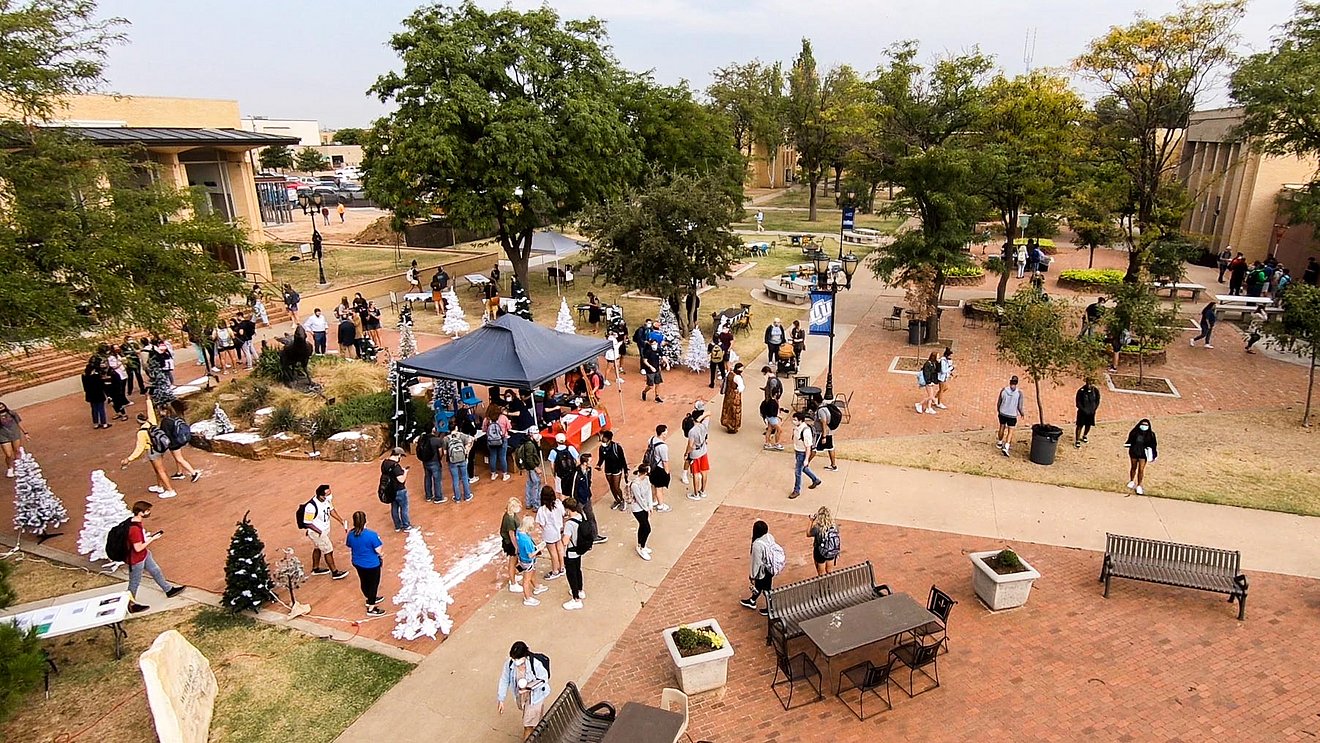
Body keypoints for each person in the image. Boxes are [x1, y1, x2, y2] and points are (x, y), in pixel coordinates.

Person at [124, 500, 186, 613]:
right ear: (140, 512)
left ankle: (168, 590)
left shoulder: (134, 521)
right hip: (136, 559)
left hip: (144, 555)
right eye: (147, 511)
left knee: (155, 570)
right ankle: (130, 604)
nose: (149, 512)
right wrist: (152, 539)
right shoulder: (134, 529)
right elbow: (137, 548)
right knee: (134, 582)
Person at [121, 400, 176, 498]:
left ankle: (170, 489)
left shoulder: (141, 433)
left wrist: (129, 459)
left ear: (138, 422)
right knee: (157, 469)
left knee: (160, 470)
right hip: (160, 448)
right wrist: (148, 400)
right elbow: (150, 411)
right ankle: (159, 486)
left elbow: (139, 449)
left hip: (153, 451)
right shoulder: (152, 422)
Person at [497, 641, 551, 739]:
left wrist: (528, 688)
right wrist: (501, 699)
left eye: (517, 658)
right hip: (522, 697)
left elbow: (544, 679)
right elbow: (504, 679)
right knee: (532, 721)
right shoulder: (510, 664)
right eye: (514, 658)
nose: (515, 661)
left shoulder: (535, 663)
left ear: (524, 656)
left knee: (528, 725)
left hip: (535, 697)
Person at [302, 484, 349, 579]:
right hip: (317, 532)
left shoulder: (326, 500)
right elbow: (307, 522)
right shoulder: (310, 507)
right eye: (328, 494)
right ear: (321, 496)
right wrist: (319, 531)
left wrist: (341, 520)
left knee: (317, 548)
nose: (330, 495)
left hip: (324, 529)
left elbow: (331, 510)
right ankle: (335, 572)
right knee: (328, 550)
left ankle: (315, 568)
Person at [345, 511, 386, 615]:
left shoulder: (350, 534)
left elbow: (349, 545)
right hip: (371, 564)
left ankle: (369, 597)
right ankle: (371, 607)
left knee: (364, 581)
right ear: (365, 521)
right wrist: (381, 555)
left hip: (357, 562)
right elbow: (378, 550)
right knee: (373, 584)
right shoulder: (371, 535)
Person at [739, 520, 778, 615]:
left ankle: (770, 609)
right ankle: (752, 600)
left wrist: (752, 575)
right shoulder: (770, 537)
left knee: (766, 588)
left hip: (763, 571)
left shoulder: (757, 545)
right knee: (761, 586)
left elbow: (756, 562)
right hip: (771, 567)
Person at [514, 516, 549, 607]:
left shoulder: (518, 532)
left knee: (532, 573)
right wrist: (539, 548)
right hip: (528, 561)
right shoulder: (526, 540)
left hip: (522, 558)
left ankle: (536, 586)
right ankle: (527, 598)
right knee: (526, 580)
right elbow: (530, 555)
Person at [561, 498, 588, 610]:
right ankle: (580, 590)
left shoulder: (569, 524)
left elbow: (565, 541)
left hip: (571, 552)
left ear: (568, 509)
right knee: (578, 570)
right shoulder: (581, 516)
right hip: (580, 549)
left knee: (571, 575)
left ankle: (576, 598)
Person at [535, 487, 565, 581]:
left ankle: (555, 571)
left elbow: (542, 523)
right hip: (558, 530)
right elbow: (563, 514)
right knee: (560, 549)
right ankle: (562, 567)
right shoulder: (559, 503)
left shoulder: (542, 510)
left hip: (549, 533)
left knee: (553, 552)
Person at [789, 411, 821, 498]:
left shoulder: (805, 432)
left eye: (795, 420)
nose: (793, 421)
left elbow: (808, 447)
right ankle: (815, 479)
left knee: (798, 472)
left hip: (802, 453)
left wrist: (806, 459)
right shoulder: (797, 427)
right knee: (804, 468)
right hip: (798, 450)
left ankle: (797, 490)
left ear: (800, 421)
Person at [380, 447, 412, 531]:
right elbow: (401, 480)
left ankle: (397, 526)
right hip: (399, 490)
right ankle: (406, 525)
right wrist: (405, 472)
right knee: (404, 508)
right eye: (401, 457)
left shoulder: (384, 463)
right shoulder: (396, 466)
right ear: (398, 455)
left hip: (390, 490)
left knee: (394, 508)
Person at [1124, 418, 1158, 496]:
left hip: (1143, 454)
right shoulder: (1134, 432)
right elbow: (1129, 441)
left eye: (1146, 425)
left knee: (1141, 469)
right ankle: (1131, 480)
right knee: (1133, 467)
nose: (1144, 426)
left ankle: (1139, 485)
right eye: (1143, 424)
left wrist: (1153, 455)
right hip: (1134, 452)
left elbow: (1153, 445)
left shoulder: (1151, 435)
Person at [596, 430, 628, 511]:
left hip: (617, 469)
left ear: (608, 439)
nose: (602, 439)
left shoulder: (617, 447)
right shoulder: (601, 448)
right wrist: (598, 465)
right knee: (611, 486)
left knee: (616, 487)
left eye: (603, 438)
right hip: (608, 469)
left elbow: (623, 460)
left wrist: (625, 471)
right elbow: (601, 458)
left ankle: (622, 500)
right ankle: (617, 501)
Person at [628, 463, 654, 560]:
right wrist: (646, 508)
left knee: (643, 526)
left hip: (645, 507)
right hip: (637, 509)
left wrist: (650, 505)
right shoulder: (635, 484)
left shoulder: (646, 480)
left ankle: (640, 544)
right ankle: (642, 547)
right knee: (647, 528)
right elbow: (639, 499)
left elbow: (649, 493)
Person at [686, 403, 712, 501]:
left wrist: (687, 453)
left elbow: (691, 446)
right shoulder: (704, 424)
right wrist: (700, 417)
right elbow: (708, 413)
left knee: (696, 473)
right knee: (704, 471)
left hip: (695, 453)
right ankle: (702, 491)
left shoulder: (692, 431)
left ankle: (696, 494)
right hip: (703, 450)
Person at [995, 375, 1025, 457]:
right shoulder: (1019, 393)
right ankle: (1006, 446)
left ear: (1010, 382)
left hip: (1003, 412)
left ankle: (1000, 442)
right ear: (1017, 383)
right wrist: (1022, 413)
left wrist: (999, 409)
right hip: (1012, 415)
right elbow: (1019, 407)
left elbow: (999, 402)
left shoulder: (1003, 390)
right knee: (1010, 431)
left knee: (1002, 427)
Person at [645, 425, 672, 512]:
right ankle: (661, 505)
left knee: (653, 484)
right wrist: (667, 472)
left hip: (652, 466)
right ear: (663, 434)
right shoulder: (663, 447)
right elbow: (665, 461)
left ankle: (654, 500)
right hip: (659, 468)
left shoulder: (651, 439)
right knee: (659, 488)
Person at [416, 427, 446, 503]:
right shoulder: (436, 440)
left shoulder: (422, 439)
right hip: (435, 461)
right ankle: (438, 497)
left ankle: (428, 496)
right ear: (433, 430)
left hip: (425, 461)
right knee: (437, 480)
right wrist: (440, 458)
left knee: (427, 478)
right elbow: (440, 452)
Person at [501, 498, 524, 593]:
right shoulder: (509, 519)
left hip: (512, 541)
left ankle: (513, 575)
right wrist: (516, 547)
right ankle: (513, 582)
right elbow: (511, 534)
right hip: (510, 543)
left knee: (515, 561)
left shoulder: (511, 515)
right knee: (512, 562)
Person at [444, 427, 474, 503]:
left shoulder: (446, 439)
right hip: (462, 460)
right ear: (456, 427)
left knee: (455, 479)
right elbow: (468, 446)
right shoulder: (462, 436)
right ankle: (467, 495)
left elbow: (444, 452)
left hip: (452, 461)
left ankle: (457, 498)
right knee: (464, 477)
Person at [808, 506, 841, 576]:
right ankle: (830, 584)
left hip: (819, 552)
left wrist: (811, 521)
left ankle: (823, 586)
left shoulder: (818, 528)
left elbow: (808, 534)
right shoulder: (835, 526)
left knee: (821, 573)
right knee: (830, 571)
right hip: (831, 550)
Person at [514, 433, 543, 510]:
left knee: (530, 484)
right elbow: (529, 459)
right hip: (532, 468)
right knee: (536, 485)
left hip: (529, 468)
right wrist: (536, 468)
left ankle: (528, 503)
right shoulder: (530, 445)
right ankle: (536, 505)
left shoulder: (527, 442)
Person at [0, 401, 28, 477]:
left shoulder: (12, 413)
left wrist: (25, 433)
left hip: (15, 434)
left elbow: (19, 423)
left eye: (2, 407)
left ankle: (18, 468)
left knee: (17, 451)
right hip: (3, 437)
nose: (1, 408)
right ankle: (10, 468)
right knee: (8, 454)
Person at [82, 358, 110, 430]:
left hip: (90, 394)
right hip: (98, 393)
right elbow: (101, 385)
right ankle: (104, 423)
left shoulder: (84, 375)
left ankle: (96, 423)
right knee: (101, 408)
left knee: (94, 409)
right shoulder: (96, 375)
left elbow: (85, 387)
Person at [810, 398, 838, 471]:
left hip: (821, 433)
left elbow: (824, 422)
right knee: (830, 447)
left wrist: (824, 436)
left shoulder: (821, 410)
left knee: (814, 448)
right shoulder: (825, 406)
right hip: (828, 431)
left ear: (816, 402)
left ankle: (804, 464)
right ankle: (833, 465)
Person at [486, 406, 512, 481]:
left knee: (492, 456)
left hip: (490, 441)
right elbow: (509, 427)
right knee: (502, 457)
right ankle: (504, 474)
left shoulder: (487, 419)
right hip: (502, 439)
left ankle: (493, 474)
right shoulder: (503, 417)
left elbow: (484, 429)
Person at [1074, 380, 1101, 448]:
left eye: (1091, 384)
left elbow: (1097, 400)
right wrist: (1083, 409)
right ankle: (1077, 440)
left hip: (1091, 412)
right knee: (1080, 425)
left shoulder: (1095, 391)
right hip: (1082, 412)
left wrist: (1094, 408)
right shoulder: (1081, 391)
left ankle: (1085, 435)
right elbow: (1078, 402)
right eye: (1088, 383)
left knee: (1088, 425)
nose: (1089, 385)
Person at [640, 338, 664, 404]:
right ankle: (644, 392)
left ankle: (657, 396)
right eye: (652, 344)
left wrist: (667, 364)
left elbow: (663, 356)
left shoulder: (658, 350)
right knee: (650, 386)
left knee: (658, 383)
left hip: (657, 369)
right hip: (650, 371)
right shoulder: (648, 351)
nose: (654, 345)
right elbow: (645, 361)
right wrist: (651, 367)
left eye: (655, 344)